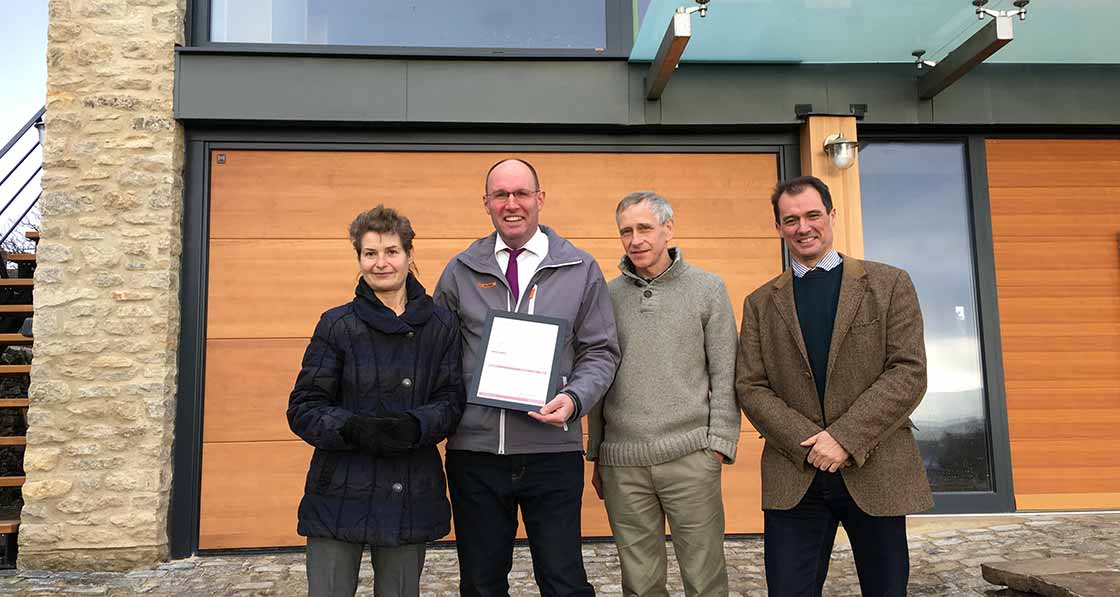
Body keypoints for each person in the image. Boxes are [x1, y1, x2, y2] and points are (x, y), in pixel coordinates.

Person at [735, 175, 933, 597]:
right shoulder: (759, 303)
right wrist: (810, 442)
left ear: (831, 216)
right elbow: (751, 386)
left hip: (874, 466)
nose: (803, 227)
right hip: (796, 472)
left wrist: (843, 438)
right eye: (791, 220)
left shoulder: (889, 283)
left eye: (812, 215)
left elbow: (908, 371)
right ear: (779, 228)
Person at [433, 158, 620, 597]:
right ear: (486, 203)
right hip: (476, 454)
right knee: (480, 584)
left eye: (521, 193)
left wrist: (575, 400)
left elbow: (601, 351)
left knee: (563, 581)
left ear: (540, 199)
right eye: (501, 195)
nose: (511, 204)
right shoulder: (461, 269)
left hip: (551, 452)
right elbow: (436, 354)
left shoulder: (579, 268)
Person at [287, 206, 465, 597]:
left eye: (391, 252)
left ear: (409, 255)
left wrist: (415, 425)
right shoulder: (337, 324)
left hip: (408, 486)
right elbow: (304, 407)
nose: (381, 263)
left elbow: (452, 400)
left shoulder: (440, 325)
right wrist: (353, 427)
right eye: (370, 254)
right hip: (339, 488)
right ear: (359, 259)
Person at [586, 191, 740, 597]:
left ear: (668, 229)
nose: (635, 240)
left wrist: (719, 445)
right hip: (624, 464)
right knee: (639, 584)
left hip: (691, 459)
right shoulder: (606, 295)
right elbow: (597, 376)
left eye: (644, 228)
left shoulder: (708, 289)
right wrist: (598, 453)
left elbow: (726, 372)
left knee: (705, 579)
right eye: (625, 231)